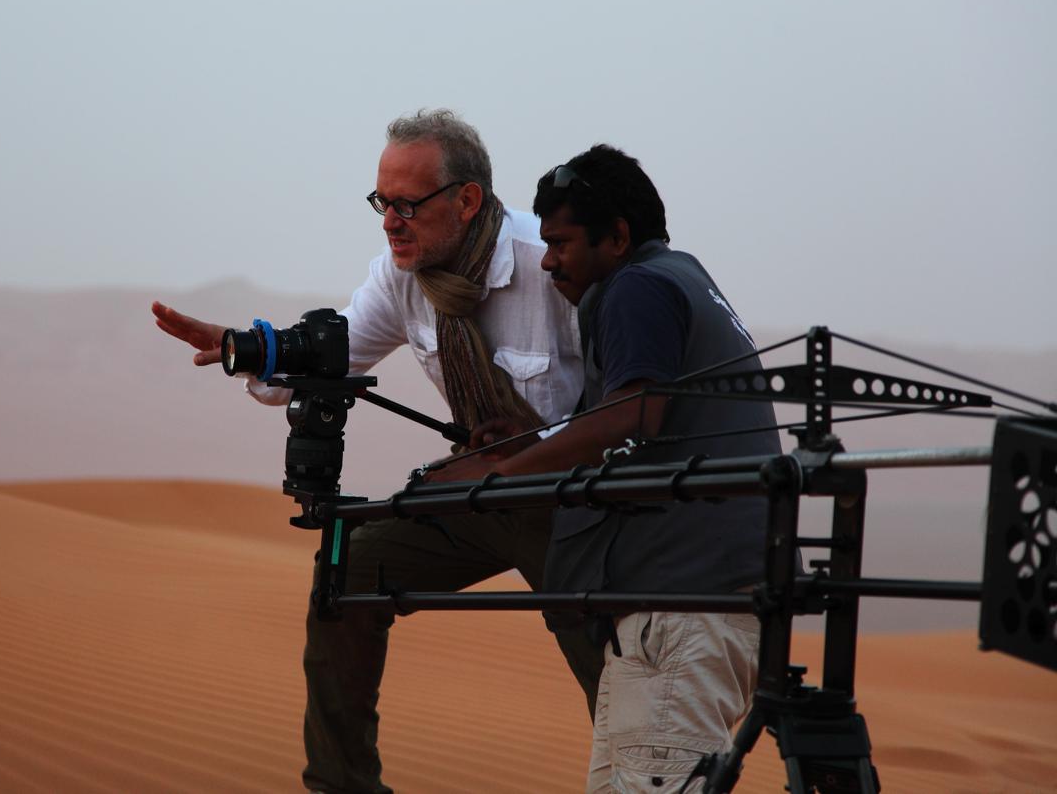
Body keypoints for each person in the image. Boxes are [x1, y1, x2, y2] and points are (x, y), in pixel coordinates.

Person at [151, 110, 605, 794]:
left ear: (467, 199)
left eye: (406, 205)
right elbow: (328, 358)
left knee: (608, 656)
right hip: (480, 495)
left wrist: (534, 463)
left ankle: (648, 769)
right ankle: (342, 783)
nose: (390, 221)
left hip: (572, 500)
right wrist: (247, 347)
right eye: (380, 203)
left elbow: (623, 403)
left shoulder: (551, 266)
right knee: (349, 566)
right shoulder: (403, 277)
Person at [435, 144, 779, 793]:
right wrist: (533, 442)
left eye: (561, 242)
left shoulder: (638, 287)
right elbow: (641, 421)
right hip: (678, 615)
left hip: (681, 615)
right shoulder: (678, 276)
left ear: (617, 236)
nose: (550, 261)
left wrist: (503, 477)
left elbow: (634, 414)